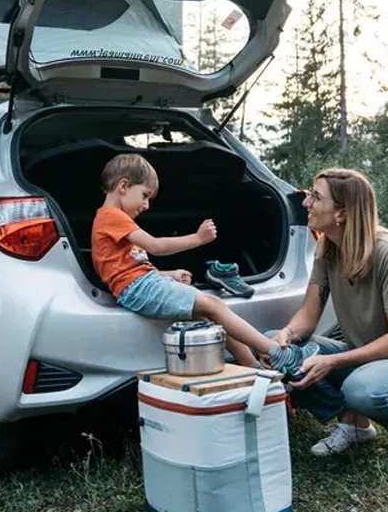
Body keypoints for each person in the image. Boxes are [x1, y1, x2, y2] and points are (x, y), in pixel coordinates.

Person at [264, 168, 388, 465]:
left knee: (360, 388)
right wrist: (285, 336)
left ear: (341, 214)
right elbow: (308, 315)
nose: (306, 202)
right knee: (272, 346)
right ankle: (354, 424)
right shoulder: (327, 246)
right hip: (361, 356)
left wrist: (333, 361)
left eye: (316, 197)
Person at [91, 153, 284, 363]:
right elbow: (155, 246)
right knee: (214, 304)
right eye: (144, 195)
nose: (146, 205)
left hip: (140, 284)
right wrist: (198, 238)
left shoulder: (113, 220)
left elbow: (127, 268)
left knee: (211, 315)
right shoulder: (111, 216)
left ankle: (255, 367)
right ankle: (277, 352)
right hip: (138, 288)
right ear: (123, 186)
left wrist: (169, 275)